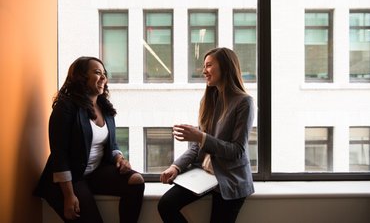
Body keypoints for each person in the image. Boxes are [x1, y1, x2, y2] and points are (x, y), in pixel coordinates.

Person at [33, 56, 145, 223]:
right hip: (70, 179)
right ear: (81, 77)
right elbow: (59, 154)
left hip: (94, 172)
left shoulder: (104, 107)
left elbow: (111, 144)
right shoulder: (65, 107)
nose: (103, 78)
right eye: (97, 73)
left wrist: (119, 158)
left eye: (104, 74)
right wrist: (69, 196)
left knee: (136, 181)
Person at [158, 47, 255, 223]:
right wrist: (176, 167)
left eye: (209, 65)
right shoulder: (208, 100)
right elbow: (197, 146)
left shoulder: (244, 102)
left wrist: (200, 137)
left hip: (230, 179)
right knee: (166, 205)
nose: (204, 71)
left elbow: (237, 151)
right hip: (205, 174)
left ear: (225, 67)